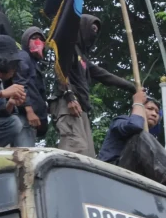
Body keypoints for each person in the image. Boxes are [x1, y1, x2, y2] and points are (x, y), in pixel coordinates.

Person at [51, 15, 136, 156]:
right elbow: (60, 71)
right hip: (69, 104)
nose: (94, 33)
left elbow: (105, 76)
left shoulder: (83, 58)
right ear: (82, 27)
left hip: (82, 109)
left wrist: (132, 87)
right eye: (92, 28)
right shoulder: (68, 47)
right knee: (75, 148)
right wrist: (69, 96)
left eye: (97, 30)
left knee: (88, 156)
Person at [98, 91, 166, 194]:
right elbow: (135, 125)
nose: (154, 114)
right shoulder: (121, 121)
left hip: (135, 179)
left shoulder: (147, 144)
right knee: (140, 136)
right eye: (150, 109)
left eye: (157, 112)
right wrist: (138, 102)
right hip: (111, 174)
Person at [14, 27, 49, 147]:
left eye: (41, 39)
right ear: (26, 41)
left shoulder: (34, 63)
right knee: (24, 156)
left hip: (31, 120)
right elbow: (20, 83)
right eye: (34, 38)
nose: (38, 41)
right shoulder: (23, 56)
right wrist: (29, 110)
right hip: (24, 117)